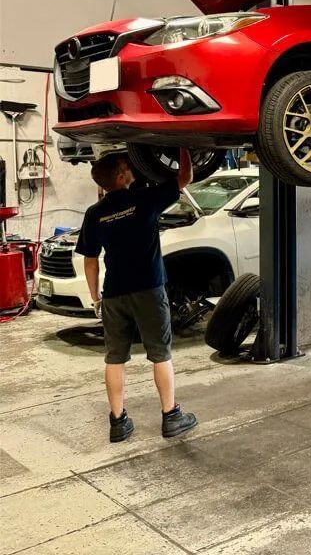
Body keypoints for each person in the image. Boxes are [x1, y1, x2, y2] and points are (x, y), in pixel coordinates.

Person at [76, 150, 198, 443]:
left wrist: (96, 299)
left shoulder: (94, 214)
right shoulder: (144, 200)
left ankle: (117, 422)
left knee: (115, 358)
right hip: (149, 289)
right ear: (121, 176)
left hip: (115, 294)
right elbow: (185, 177)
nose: (131, 168)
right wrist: (183, 146)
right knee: (160, 353)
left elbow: (90, 260)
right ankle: (171, 416)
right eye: (127, 166)